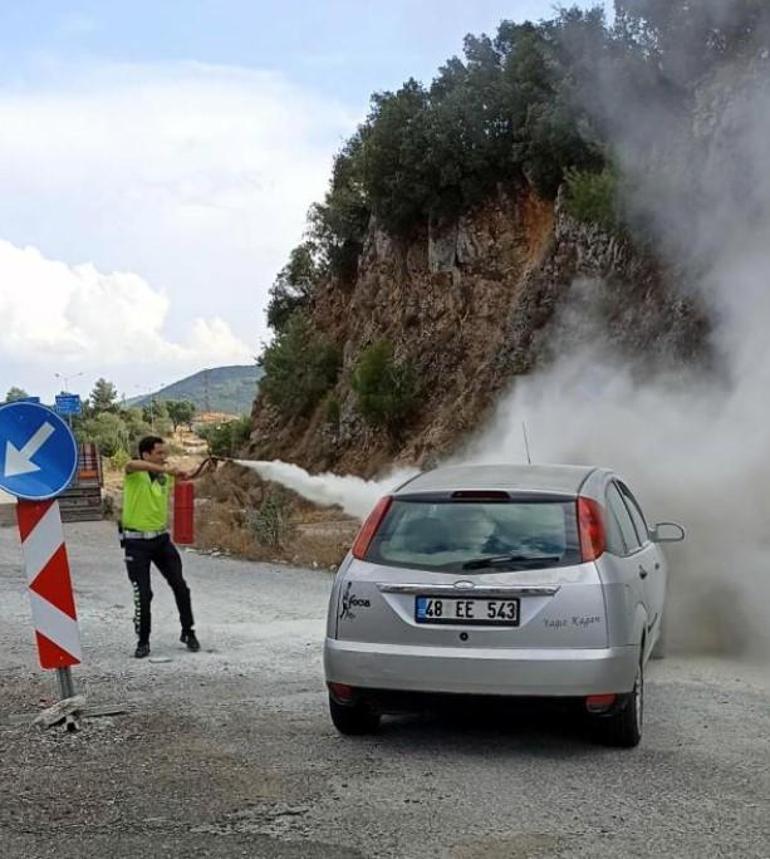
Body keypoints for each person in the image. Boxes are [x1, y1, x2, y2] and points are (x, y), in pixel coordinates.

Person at [121, 435, 209, 659]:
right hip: (135, 542)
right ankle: (143, 641)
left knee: (180, 586)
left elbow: (185, 477)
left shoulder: (163, 476)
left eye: (165, 453)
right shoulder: (134, 473)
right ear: (146, 454)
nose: (164, 457)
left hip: (161, 540)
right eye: (159, 453)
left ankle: (188, 632)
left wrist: (204, 470)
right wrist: (166, 470)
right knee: (144, 593)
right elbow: (131, 464)